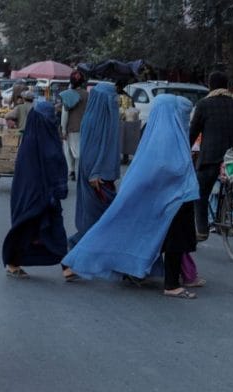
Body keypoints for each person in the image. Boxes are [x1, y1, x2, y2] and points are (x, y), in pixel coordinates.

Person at [62, 95, 201, 299]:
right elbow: (167, 167)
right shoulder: (167, 135)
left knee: (154, 237)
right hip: (173, 198)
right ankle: (170, 284)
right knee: (173, 241)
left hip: (166, 198)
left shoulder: (158, 131)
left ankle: (137, 272)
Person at [2, 101, 68, 278]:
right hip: (35, 196)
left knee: (54, 229)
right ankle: (13, 262)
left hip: (46, 196)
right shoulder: (36, 142)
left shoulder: (35, 138)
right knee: (28, 229)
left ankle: (67, 264)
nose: (52, 121)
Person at [190, 71, 233, 241]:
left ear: (210, 86)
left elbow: (193, 132)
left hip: (210, 158)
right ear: (227, 86)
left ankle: (202, 230)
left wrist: (185, 149)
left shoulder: (203, 104)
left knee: (200, 193)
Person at [67, 82, 120, 253]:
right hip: (97, 177)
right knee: (102, 217)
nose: (115, 101)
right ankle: (76, 250)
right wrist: (96, 172)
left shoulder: (103, 117)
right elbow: (93, 151)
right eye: (111, 98)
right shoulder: (94, 121)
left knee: (102, 217)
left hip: (102, 175)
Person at [60, 70, 89, 181]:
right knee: (81, 150)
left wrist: (63, 129)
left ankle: (71, 171)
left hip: (72, 127)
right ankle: (82, 171)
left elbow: (65, 113)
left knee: (69, 150)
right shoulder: (87, 95)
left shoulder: (68, 94)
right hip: (85, 127)